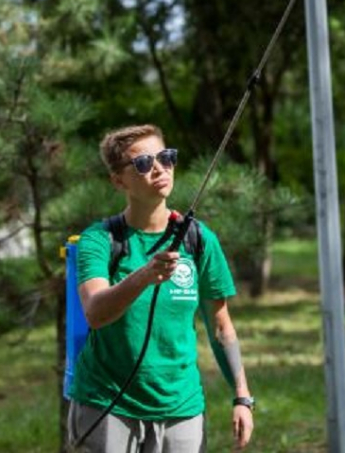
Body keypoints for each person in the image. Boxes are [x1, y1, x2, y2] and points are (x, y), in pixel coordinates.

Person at [68, 124, 254, 452]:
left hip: (181, 407)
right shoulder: (99, 240)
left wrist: (242, 397)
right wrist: (144, 275)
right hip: (108, 403)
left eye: (166, 157)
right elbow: (96, 312)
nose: (159, 168)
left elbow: (221, 327)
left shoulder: (199, 239)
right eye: (142, 163)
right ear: (118, 180)